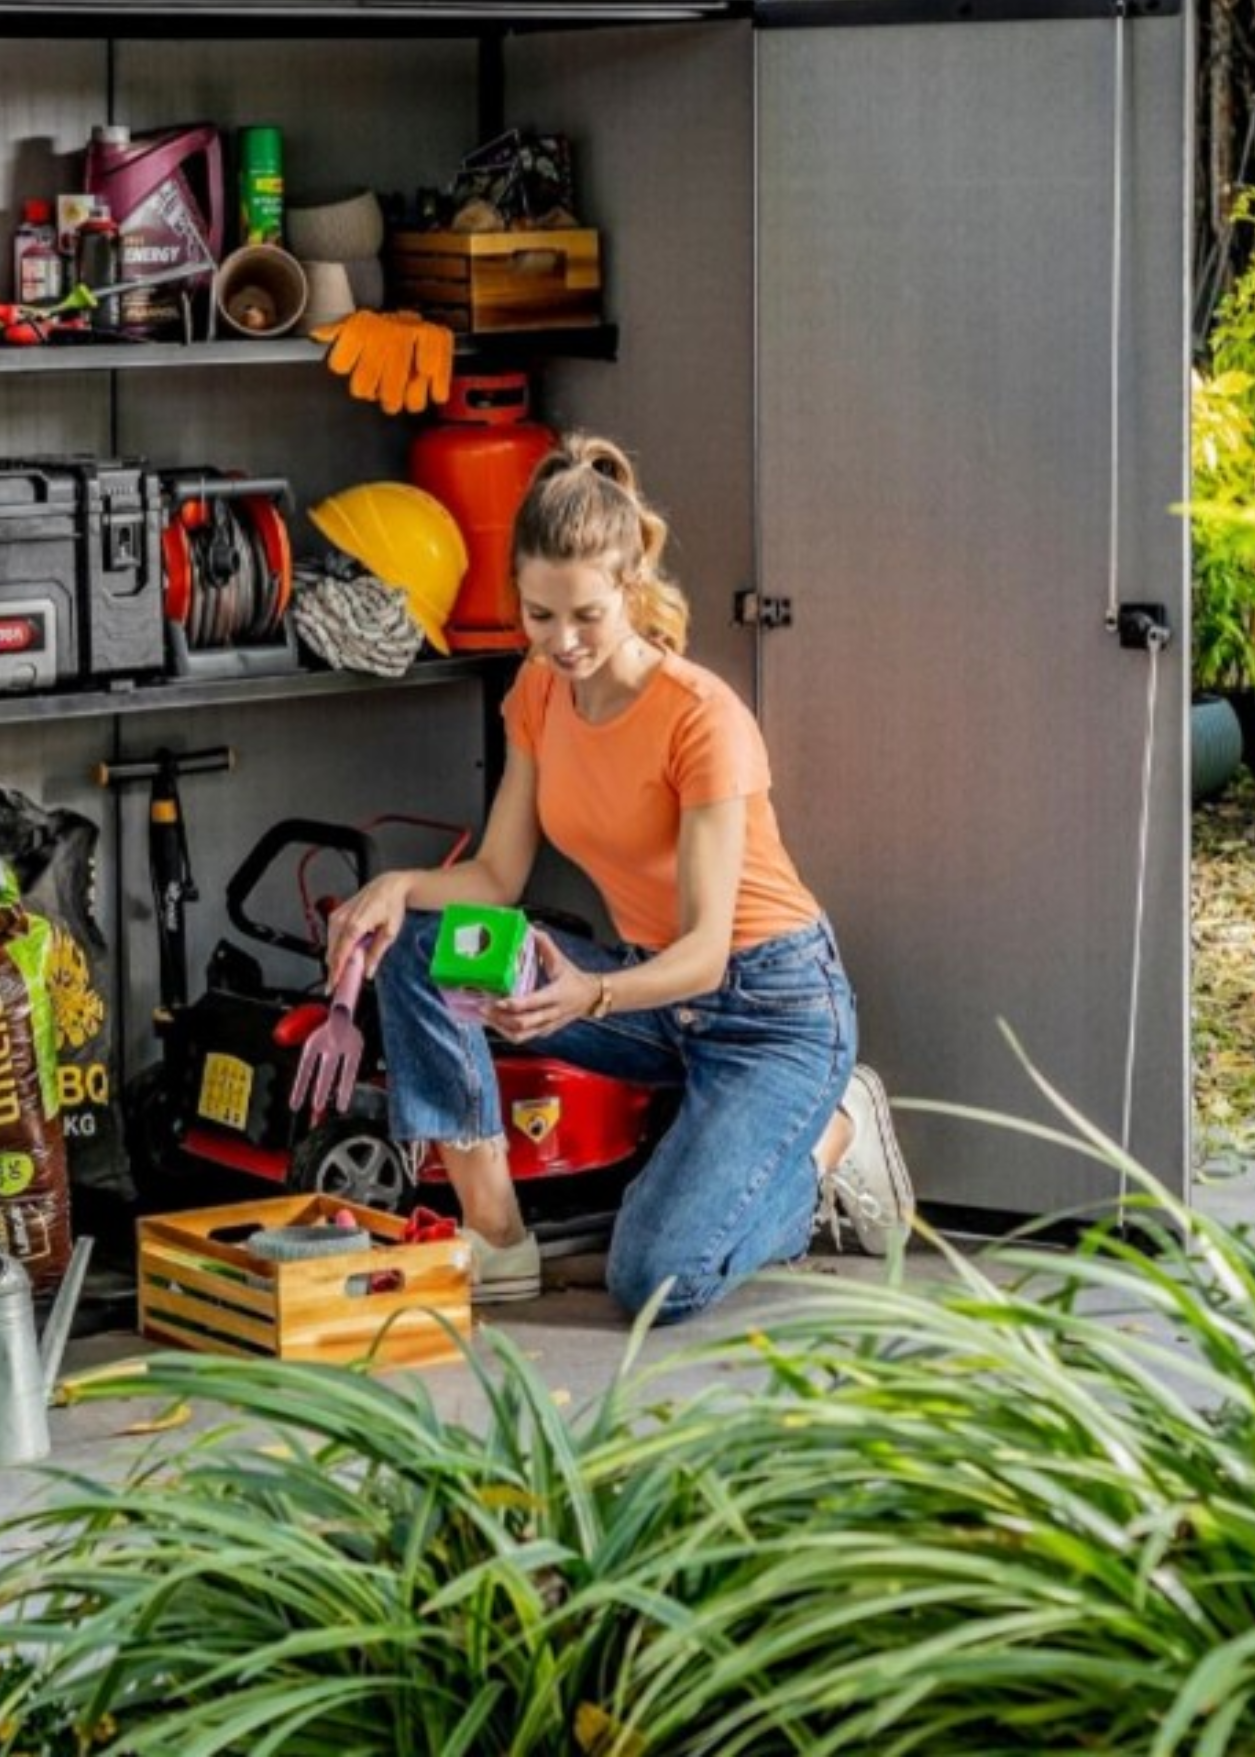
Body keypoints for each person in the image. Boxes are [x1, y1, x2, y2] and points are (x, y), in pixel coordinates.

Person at [324, 434, 912, 1320]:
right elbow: (496, 875)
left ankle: (828, 1138)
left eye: (586, 617)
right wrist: (398, 890)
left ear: (629, 590)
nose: (561, 642)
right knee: (417, 948)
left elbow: (710, 954)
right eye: (539, 615)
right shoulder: (538, 690)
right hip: (644, 998)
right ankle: (497, 1237)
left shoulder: (701, 718)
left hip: (768, 1008)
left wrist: (589, 996)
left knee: (652, 1282)